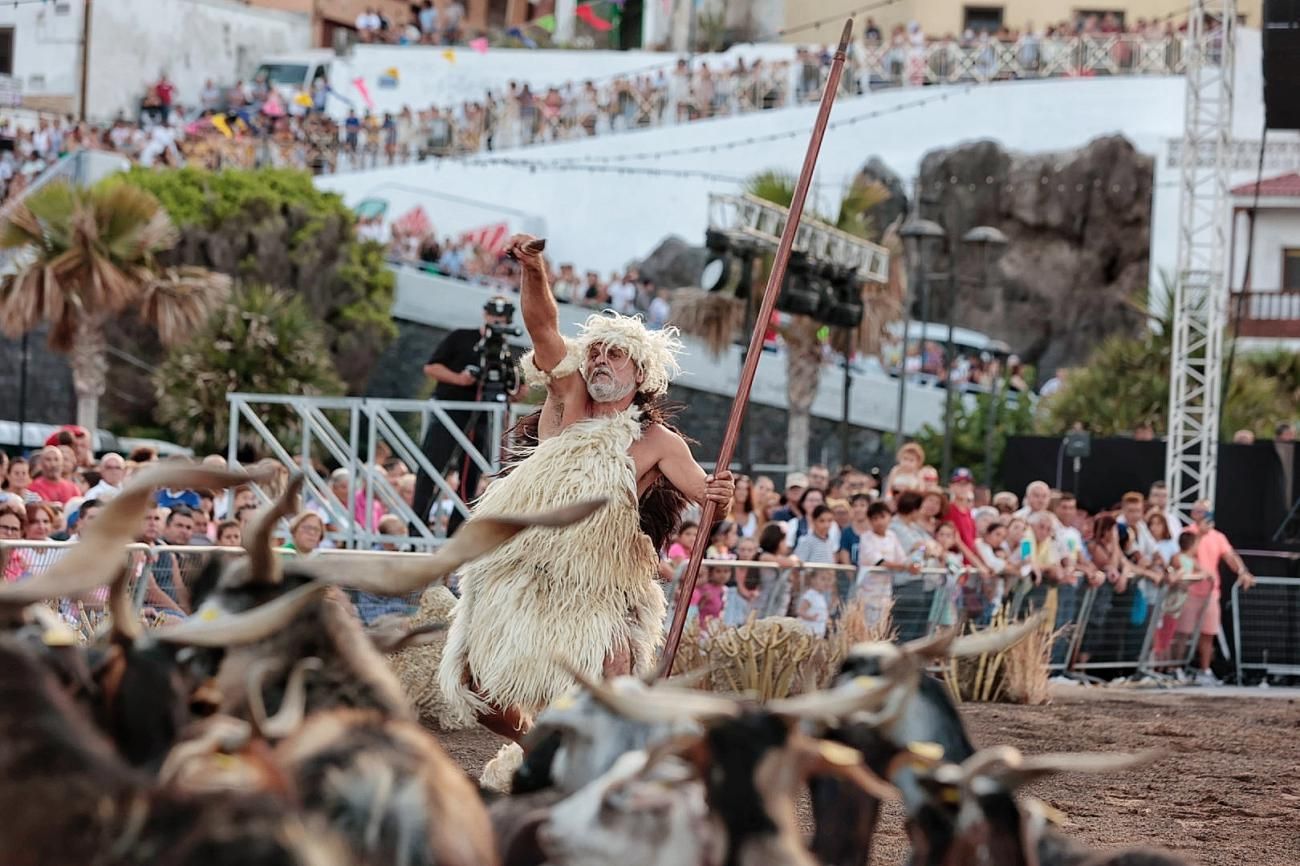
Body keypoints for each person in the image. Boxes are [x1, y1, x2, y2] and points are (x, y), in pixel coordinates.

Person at [438, 233, 734, 768]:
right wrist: (533, 269)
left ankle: (615, 774)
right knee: (472, 686)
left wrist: (722, 495)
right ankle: (538, 750)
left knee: (612, 686)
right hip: (519, 570)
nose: (599, 360)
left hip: (599, 585)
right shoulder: (566, 398)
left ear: (639, 372)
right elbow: (544, 329)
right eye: (595, 350)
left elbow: (705, 500)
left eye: (614, 354)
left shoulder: (657, 444)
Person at [412, 296, 521, 536]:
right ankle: (415, 530)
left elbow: (515, 389)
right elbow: (432, 367)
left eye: (501, 318)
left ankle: (455, 533)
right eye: (493, 315)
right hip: (449, 412)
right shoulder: (461, 337)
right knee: (431, 470)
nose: (496, 321)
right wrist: (460, 379)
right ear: (485, 315)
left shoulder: (505, 353)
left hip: (482, 418)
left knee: (470, 479)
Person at [1177, 500, 1255, 686]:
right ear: (1193, 513)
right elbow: (1182, 556)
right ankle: (1176, 668)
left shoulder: (1218, 537)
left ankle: (1204, 670)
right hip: (1188, 591)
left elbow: (1230, 556)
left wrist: (1242, 571)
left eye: (1204, 511)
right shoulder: (1187, 534)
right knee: (1183, 633)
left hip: (1211, 593)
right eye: (1197, 511)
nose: (1201, 514)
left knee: (1208, 633)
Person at [797, 568, 834, 637]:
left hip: (819, 630)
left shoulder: (821, 596)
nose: (826, 582)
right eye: (823, 579)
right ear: (813, 580)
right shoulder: (810, 595)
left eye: (829, 580)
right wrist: (809, 617)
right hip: (809, 630)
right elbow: (800, 611)